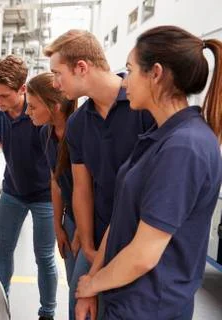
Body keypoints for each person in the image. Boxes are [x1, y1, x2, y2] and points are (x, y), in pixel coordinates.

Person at [75, 25, 222, 320]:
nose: (125, 82)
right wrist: (92, 283)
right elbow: (121, 219)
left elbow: (143, 255)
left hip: (149, 309)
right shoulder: (158, 136)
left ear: (155, 73)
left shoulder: (183, 148)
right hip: (125, 301)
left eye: (129, 70)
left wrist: (92, 284)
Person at [43, 29, 154, 319]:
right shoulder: (78, 123)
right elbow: (82, 189)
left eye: (58, 74)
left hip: (142, 234)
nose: (55, 83)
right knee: (78, 307)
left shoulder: (143, 107)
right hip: (100, 232)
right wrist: (89, 248)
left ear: (82, 67)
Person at [0, 56, 57, 320]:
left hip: (44, 198)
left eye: (4, 95)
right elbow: (4, 145)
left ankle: (47, 312)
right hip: (12, 192)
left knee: (44, 257)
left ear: (22, 89)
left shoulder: (40, 114)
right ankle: (0, 306)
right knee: (3, 250)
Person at [25, 72, 80, 315]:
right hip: (70, 220)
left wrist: (84, 234)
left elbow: (88, 188)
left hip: (92, 224)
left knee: (81, 292)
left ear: (54, 106)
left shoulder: (81, 131)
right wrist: (59, 227)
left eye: (32, 106)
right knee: (73, 285)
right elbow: (55, 181)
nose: (28, 112)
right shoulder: (45, 134)